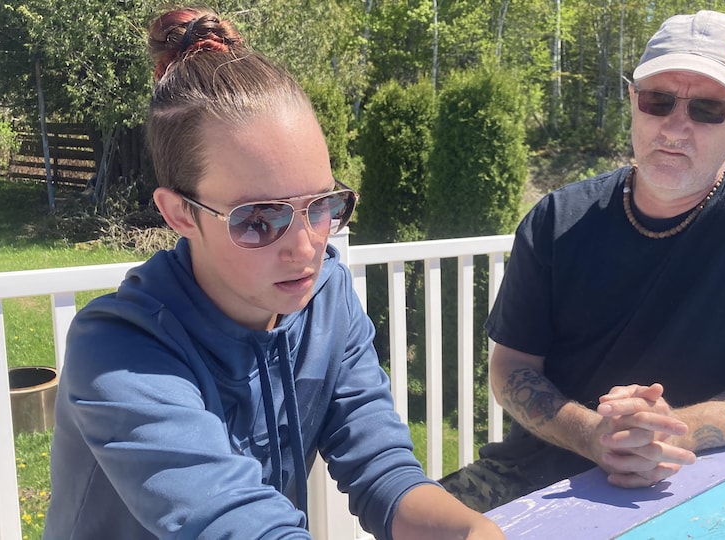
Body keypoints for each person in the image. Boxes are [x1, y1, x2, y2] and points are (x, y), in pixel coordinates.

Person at [43, 7, 504, 539]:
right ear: (179, 214)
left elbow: (383, 470)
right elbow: (237, 525)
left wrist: (472, 532)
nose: (306, 247)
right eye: (260, 219)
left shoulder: (325, 299)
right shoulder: (120, 353)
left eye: (322, 205)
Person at [440, 10, 725, 512]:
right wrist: (595, 435)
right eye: (658, 100)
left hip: (710, 478)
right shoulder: (558, 219)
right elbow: (510, 367)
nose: (675, 127)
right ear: (632, 101)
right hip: (539, 469)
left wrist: (676, 430)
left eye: (708, 108)